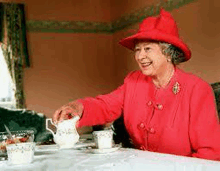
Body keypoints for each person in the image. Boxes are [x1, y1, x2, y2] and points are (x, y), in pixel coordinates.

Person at [53, 9, 220, 161]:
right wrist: (77, 108)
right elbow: (106, 105)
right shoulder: (133, 80)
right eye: (137, 50)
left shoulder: (197, 90)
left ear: (168, 53)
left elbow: (210, 153)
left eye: (147, 49)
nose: (140, 56)